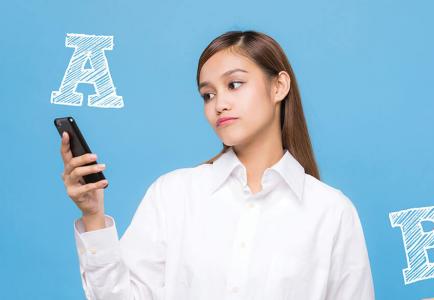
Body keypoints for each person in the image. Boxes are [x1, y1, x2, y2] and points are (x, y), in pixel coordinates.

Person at [59, 30, 375, 299]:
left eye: (234, 84)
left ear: (278, 86)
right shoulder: (173, 194)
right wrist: (93, 216)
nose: (219, 104)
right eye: (208, 94)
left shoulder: (332, 211)